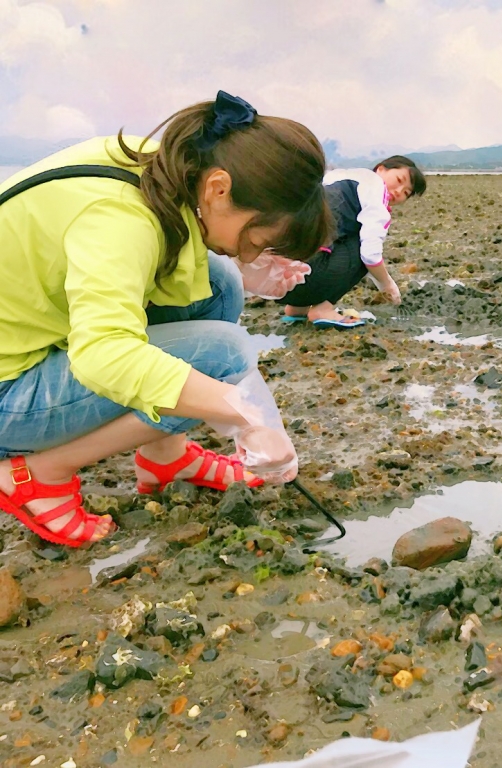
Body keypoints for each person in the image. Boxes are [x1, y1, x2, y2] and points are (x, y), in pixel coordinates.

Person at [0, 91, 333, 547]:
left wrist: (248, 267)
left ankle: (165, 456)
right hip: (7, 393)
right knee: (221, 357)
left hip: (29, 338)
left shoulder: (160, 166)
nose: (249, 250)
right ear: (218, 188)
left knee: (219, 283)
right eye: (256, 238)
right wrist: (245, 413)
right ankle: (39, 473)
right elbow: (103, 354)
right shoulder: (119, 218)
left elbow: (147, 263)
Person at [278, 156, 427, 327]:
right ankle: (323, 309)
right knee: (365, 245)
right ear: (381, 169)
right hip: (309, 275)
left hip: (274, 282)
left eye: (406, 193)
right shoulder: (376, 190)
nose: (399, 191)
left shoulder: (336, 177)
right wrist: (388, 286)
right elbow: (370, 256)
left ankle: (297, 308)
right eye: (399, 180)